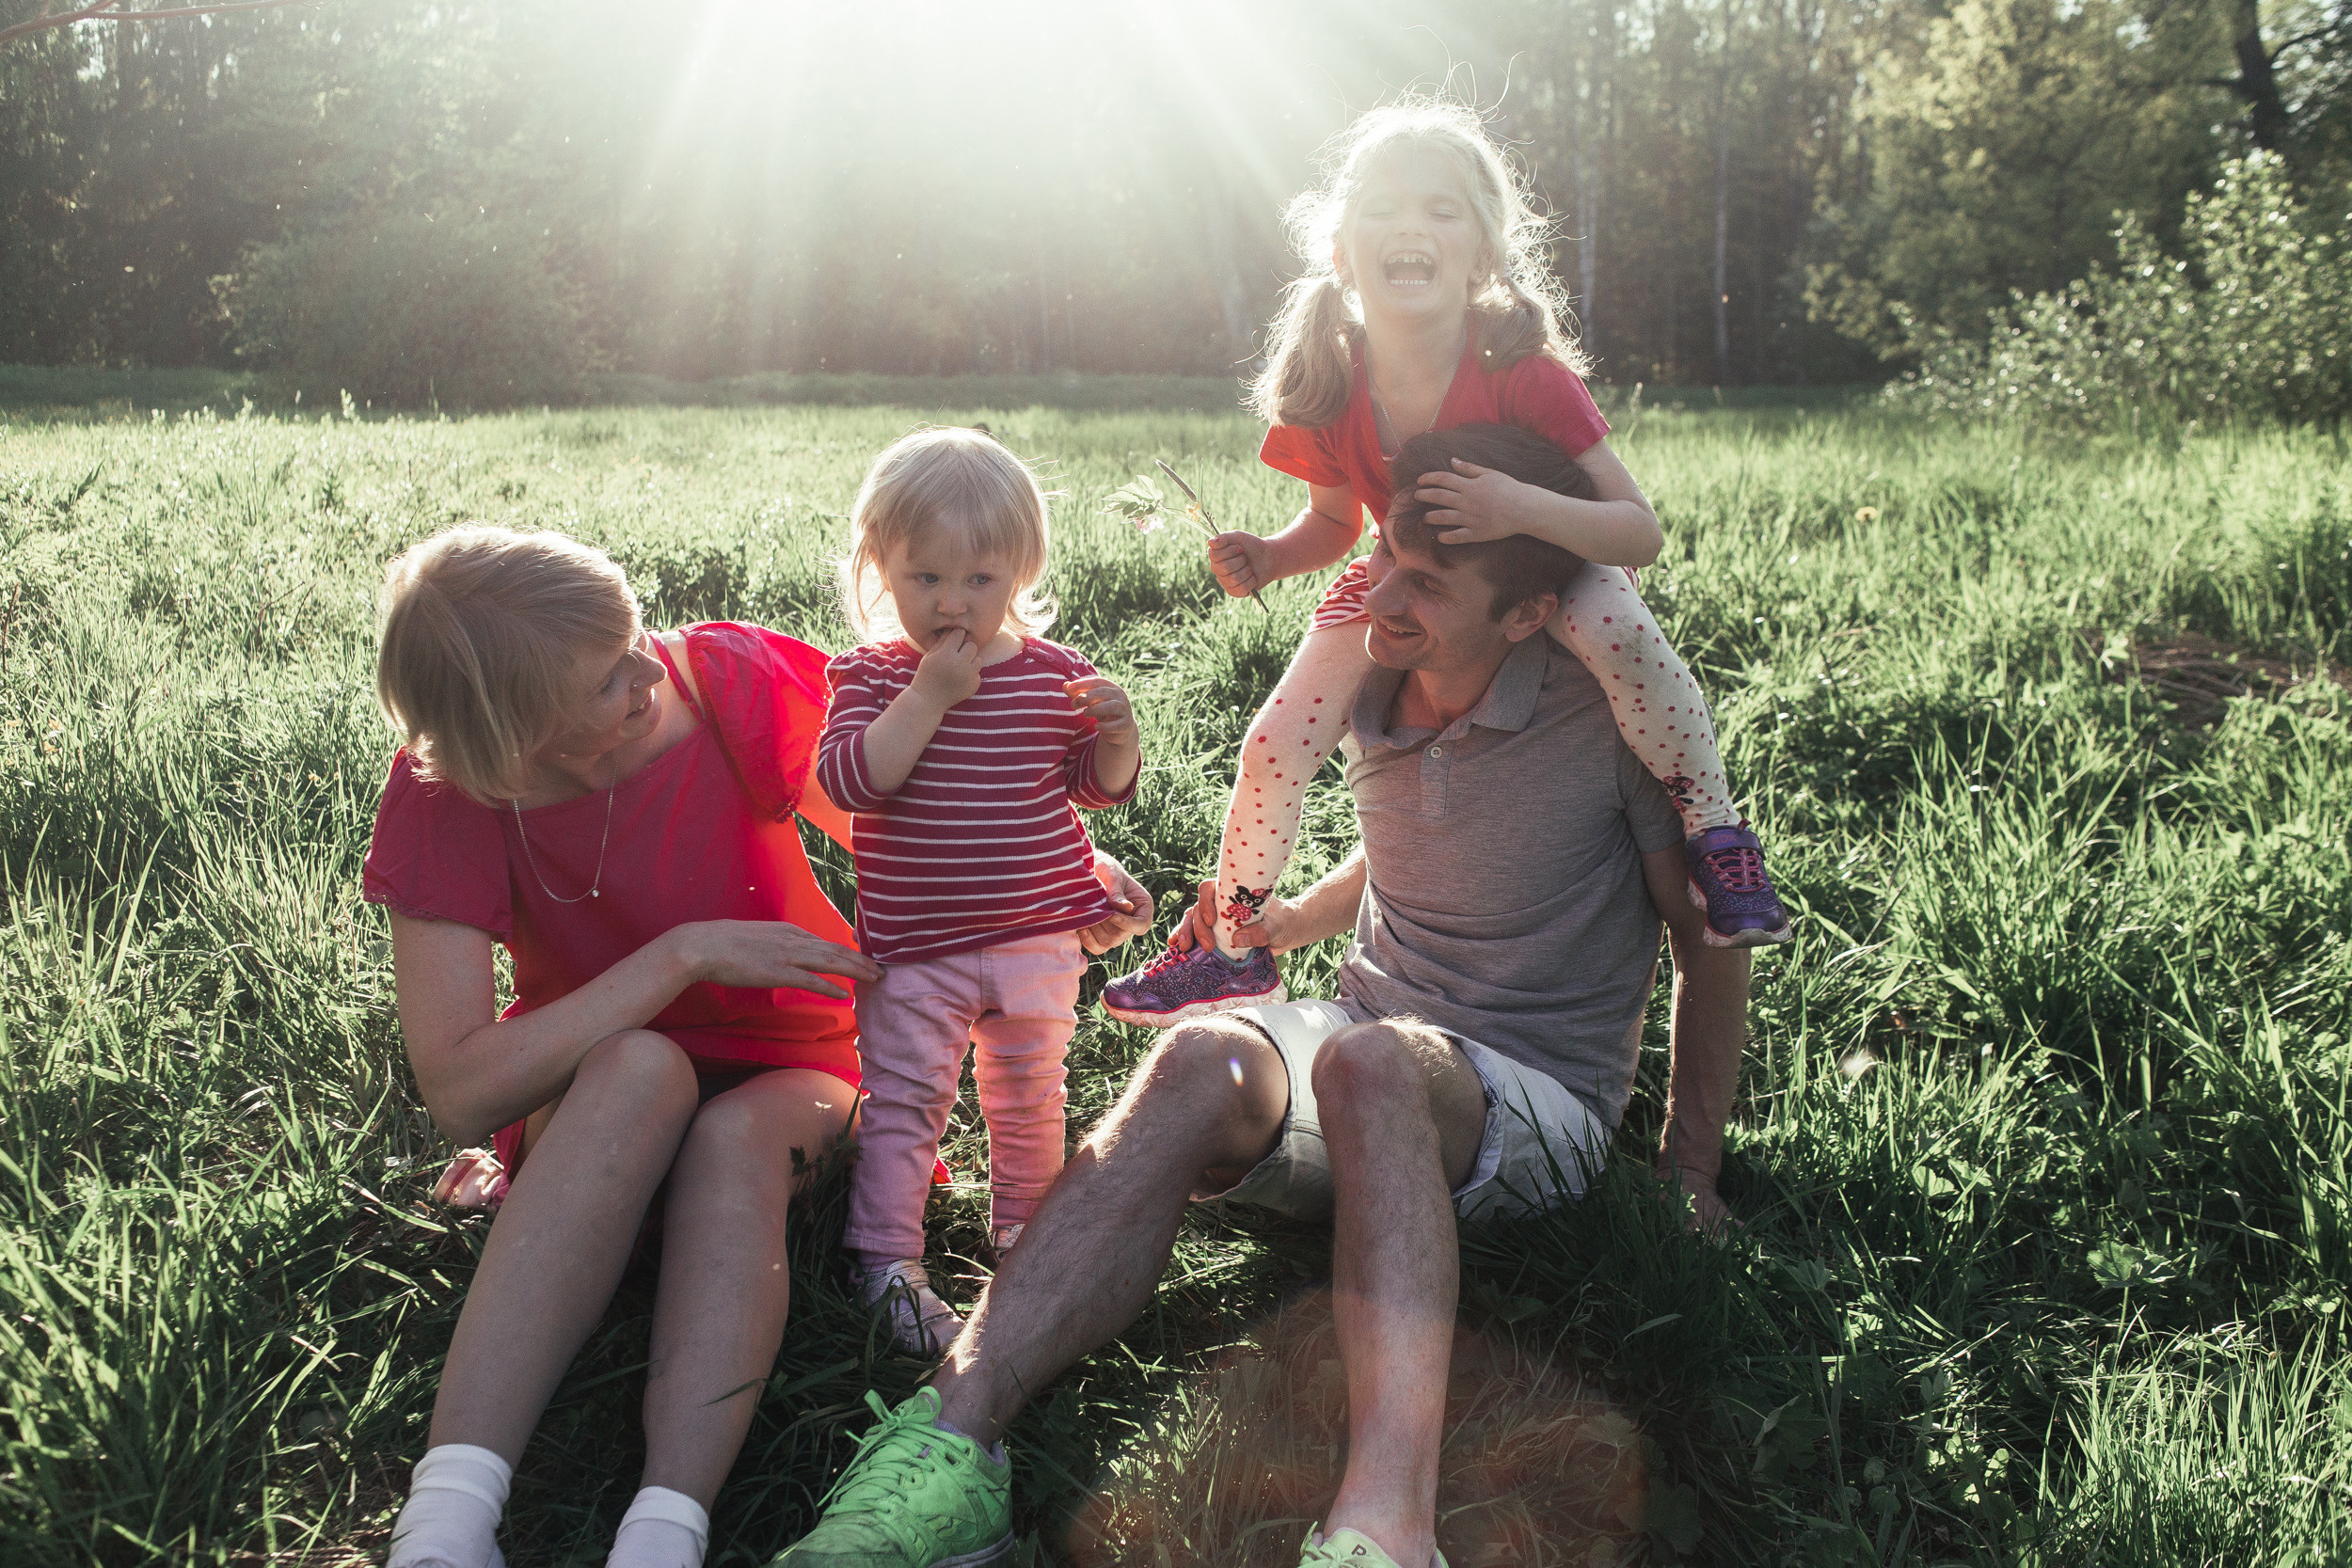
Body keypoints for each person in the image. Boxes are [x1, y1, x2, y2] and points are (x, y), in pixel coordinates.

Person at [769, 425, 1752, 1568]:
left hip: (1537, 1094)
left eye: (1427, 584)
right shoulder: (1373, 678)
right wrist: (1290, 919)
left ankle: (1386, 1529)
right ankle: (950, 1438)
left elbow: (1710, 932)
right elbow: (1421, 837)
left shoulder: (1611, 717)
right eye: (1384, 557)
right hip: (1370, 1047)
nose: (1380, 595)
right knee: (1199, 1050)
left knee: (1372, 1060)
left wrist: (1688, 1168)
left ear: (1529, 613)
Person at [360, 526, 1153, 1568]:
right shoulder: (448, 789)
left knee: (735, 1136)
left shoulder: (723, 679)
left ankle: (664, 1527)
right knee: (641, 1063)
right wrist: (685, 954)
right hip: (603, 1093)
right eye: (608, 679)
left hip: (798, 1065)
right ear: (515, 734)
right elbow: (461, 1087)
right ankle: (445, 1520)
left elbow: (910, 820)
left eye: (635, 635)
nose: (650, 671)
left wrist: (1053, 885)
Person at [1103, 98, 1789, 1031]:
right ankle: (1234, 947)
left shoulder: (1521, 370)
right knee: (1273, 741)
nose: (1410, 228)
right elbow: (1334, 523)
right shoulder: (1333, 380)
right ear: (1342, 252)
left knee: (1626, 639)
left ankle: (1715, 834)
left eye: (1440, 210)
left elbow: (1637, 531)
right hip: (1403, 571)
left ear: (1482, 257)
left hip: (1552, 555)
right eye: (1383, 209)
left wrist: (1514, 509)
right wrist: (1271, 555)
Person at [818, 427, 1144, 1355]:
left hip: (1036, 939)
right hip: (916, 949)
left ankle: (1025, 1239)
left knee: (1030, 1091)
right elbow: (851, 781)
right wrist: (927, 696)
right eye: (924, 577)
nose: (951, 602)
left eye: (979, 579)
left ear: (1021, 571)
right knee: (907, 1097)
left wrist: (1117, 735)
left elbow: (1092, 787)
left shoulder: (1054, 673)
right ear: (881, 566)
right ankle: (887, 1260)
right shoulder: (874, 675)